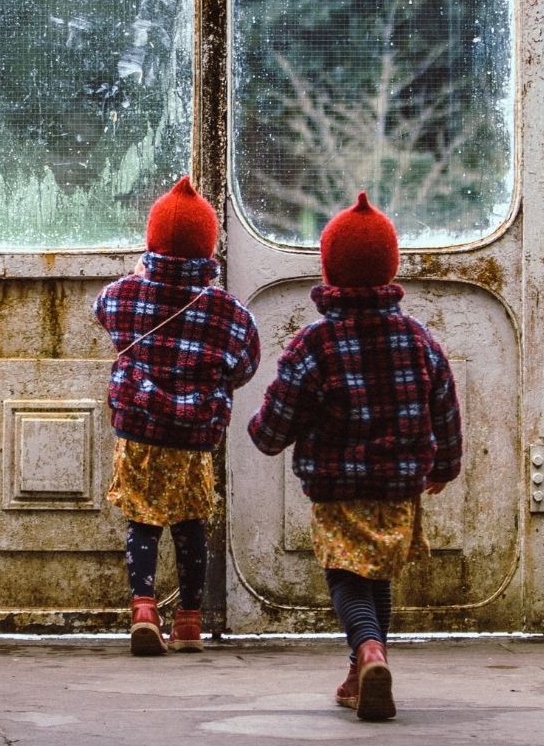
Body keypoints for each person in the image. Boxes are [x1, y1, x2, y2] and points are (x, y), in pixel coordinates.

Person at [247, 192, 462, 721]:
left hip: (339, 488)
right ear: (391, 265)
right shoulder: (419, 339)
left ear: (330, 269)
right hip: (399, 487)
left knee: (347, 575)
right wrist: (443, 467)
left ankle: (368, 650)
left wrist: (263, 433)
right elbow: (446, 408)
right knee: (380, 574)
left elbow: (276, 423)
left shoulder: (314, 344)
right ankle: (362, 670)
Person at [93, 175, 260, 656]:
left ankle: (144, 609)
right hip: (194, 438)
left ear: (152, 240)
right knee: (190, 523)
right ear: (207, 246)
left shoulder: (123, 296)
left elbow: (100, 310)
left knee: (142, 521)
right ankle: (189, 621)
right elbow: (246, 364)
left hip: (140, 434)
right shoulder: (226, 312)